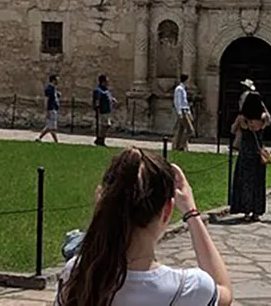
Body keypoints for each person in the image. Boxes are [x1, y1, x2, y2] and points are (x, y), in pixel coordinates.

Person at [56, 149, 234, 306]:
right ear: (167, 211)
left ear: (101, 203)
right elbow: (225, 292)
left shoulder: (78, 275)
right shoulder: (189, 289)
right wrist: (191, 212)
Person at [229, 90, 269, 222]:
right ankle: (257, 211)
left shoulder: (242, 119)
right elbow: (269, 119)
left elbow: (233, 130)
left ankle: (246, 211)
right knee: (258, 183)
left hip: (246, 153)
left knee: (245, 182)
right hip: (258, 154)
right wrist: (262, 106)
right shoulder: (263, 119)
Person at [93, 74, 117, 147]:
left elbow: (108, 96)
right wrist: (97, 108)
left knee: (106, 125)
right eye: (106, 81)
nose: (107, 83)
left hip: (107, 111)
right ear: (102, 82)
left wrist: (112, 99)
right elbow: (97, 100)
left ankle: (100, 139)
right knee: (105, 125)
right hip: (102, 111)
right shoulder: (98, 90)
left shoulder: (106, 90)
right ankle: (100, 140)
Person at [172, 74, 194, 151]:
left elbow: (185, 102)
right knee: (190, 130)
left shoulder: (183, 89)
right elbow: (177, 101)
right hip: (182, 111)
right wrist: (180, 113)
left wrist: (189, 111)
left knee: (180, 130)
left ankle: (176, 146)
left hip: (185, 110)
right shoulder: (179, 89)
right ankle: (181, 145)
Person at [36, 75, 61, 143]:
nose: (58, 81)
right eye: (57, 80)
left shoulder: (54, 89)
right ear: (53, 80)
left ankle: (39, 138)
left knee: (49, 126)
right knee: (52, 127)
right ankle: (56, 141)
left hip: (54, 109)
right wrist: (46, 110)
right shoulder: (49, 89)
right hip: (51, 109)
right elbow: (46, 100)